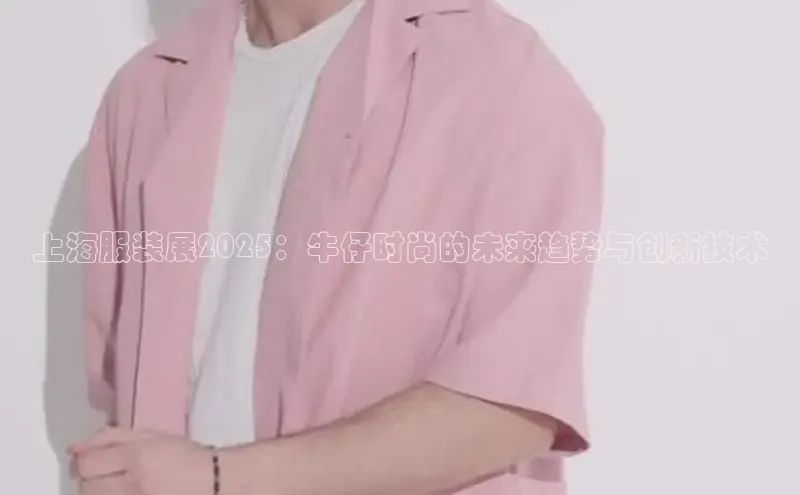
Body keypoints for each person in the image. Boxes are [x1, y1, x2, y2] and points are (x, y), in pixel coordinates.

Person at [68, 0, 604, 493]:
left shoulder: (498, 75)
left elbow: (511, 408)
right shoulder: (146, 89)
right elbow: (118, 379)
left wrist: (218, 478)